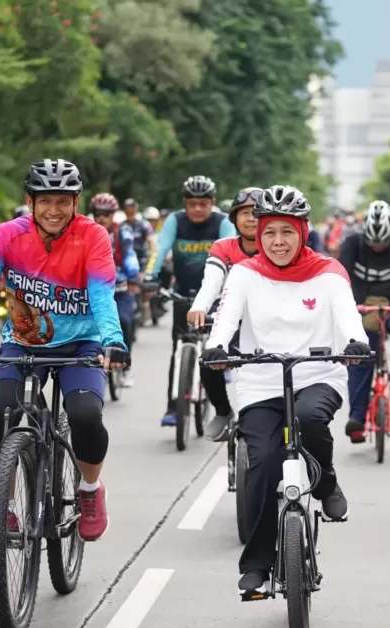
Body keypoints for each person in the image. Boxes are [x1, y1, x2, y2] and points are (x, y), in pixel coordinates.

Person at [0, 159, 127, 544]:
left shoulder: (93, 236)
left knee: (85, 414)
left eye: (63, 201)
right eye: (45, 201)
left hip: (81, 343)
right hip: (23, 342)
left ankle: (90, 490)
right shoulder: (6, 235)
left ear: (76, 201)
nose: (53, 210)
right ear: (30, 201)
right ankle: (3, 510)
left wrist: (112, 340)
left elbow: (103, 294)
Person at [200, 185, 370, 597]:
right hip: (259, 382)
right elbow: (225, 318)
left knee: (311, 419)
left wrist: (355, 342)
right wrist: (216, 348)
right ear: (259, 234)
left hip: (316, 376)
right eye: (270, 232)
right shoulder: (244, 273)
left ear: (303, 232)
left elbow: (348, 317)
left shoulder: (329, 272)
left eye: (288, 232)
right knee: (262, 464)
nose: (278, 241)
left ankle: (326, 480)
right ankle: (257, 563)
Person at [144, 175, 236, 427]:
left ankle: (218, 379)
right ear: (185, 203)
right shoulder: (175, 221)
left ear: (212, 202)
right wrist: (150, 276)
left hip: (216, 297)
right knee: (179, 349)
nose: (197, 209)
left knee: (215, 346)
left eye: (203, 204)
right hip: (183, 294)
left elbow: (232, 253)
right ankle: (173, 407)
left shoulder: (223, 223)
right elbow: (160, 248)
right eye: (192, 203)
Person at [339, 200, 390, 442]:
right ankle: (356, 417)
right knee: (362, 354)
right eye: (373, 243)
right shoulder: (352, 243)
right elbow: (340, 281)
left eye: (383, 243)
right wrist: (347, 313)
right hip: (362, 298)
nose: (378, 247)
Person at [186, 187, 261, 440]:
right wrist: (199, 307)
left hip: (268, 319)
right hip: (228, 314)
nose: (251, 218)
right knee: (208, 359)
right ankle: (223, 411)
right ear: (234, 218)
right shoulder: (223, 247)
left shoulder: (276, 247)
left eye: (257, 213)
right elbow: (212, 281)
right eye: (245, 213)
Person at [92, 193, 140, 387]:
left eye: (107, 214)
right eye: (98, 213)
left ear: (114, 215)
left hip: (120, 288)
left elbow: (129, 255)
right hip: (94, 290)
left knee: (126, 321)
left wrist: (134, 275)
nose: (102, 218)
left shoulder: (123, 232)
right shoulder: (87, 233)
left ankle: (126, 366)